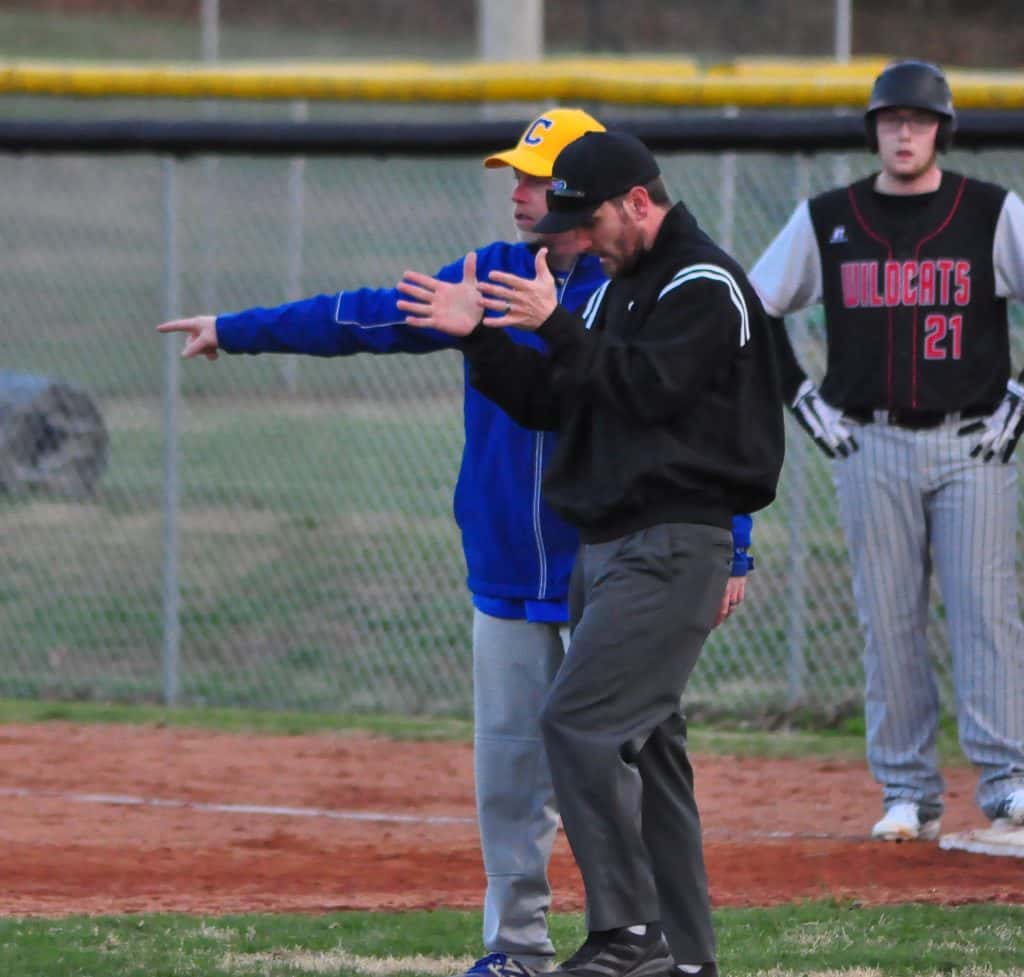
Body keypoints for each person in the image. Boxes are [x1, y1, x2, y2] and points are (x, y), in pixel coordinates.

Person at [157, 110, 756, 977]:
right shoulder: (491, 275)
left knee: (630, 761)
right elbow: (363, 317)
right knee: (512, 774)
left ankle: (659, 947)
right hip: (511, 567)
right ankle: (517, 948)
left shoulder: (643, 285)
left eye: (538, 178)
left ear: (596, 191)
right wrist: (239, 327)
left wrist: (735, 545)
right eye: (518, 176)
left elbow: (700, 414)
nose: (520, 192)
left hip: (618, 563)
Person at [396, 130, 784, 977]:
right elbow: (555, 399)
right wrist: (481, 338)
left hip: (672, 542)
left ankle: (629, 930)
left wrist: (557, 324)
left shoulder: (702, 284)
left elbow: (648, 391)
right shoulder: (617, 291)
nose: (580, 239)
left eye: (589, 221)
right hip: (607, 547)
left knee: (578, 722)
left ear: (638, 203)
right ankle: (686, 958)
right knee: (650, 747)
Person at [748, 59, 1024, 843]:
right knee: (888, 620)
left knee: (985, 615)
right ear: (873, 130)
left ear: (942, 130)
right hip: (869, 441)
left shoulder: (991, 211)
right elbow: (755, 303)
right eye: (892, 120)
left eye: (919, 119)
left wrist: (1019, 398)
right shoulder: (829, 217)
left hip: (972, 442)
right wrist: (802, 398)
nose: (905, 132)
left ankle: (1007, 780)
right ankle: (907, 789)